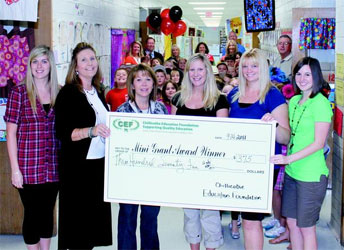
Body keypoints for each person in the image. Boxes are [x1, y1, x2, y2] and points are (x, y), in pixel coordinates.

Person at [227, 48, 290, 250]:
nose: (248, 70)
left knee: (252, 219)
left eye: (254, 66)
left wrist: (274, 125)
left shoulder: (272, 95)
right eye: (244, 66)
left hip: (262, 166)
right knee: (246, 219)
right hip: (238, 164)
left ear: (262, 68)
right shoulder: (234, 95)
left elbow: (286, 137)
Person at [54, 42, 112, 249]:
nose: (90, 63)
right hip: (77, 169)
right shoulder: (68, 93)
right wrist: (91, 130)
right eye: (84, 59)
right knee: (78, 229)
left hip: (97, 165)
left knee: (92, 227)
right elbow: (62, 132)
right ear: (75, 66)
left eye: (93, 58)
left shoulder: (98, 92)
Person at [270, 57, 332, 250]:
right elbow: (290, 132)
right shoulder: (295, 100)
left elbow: (318, 143)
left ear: (316, 76)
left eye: (307, 74)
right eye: (298, 74)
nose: (302, 78)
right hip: (292, 173)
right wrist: (272, 120)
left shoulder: (321, 104)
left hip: (311, 177)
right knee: (292, 223)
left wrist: (288, 159)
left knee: (307, 228)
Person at [5, 45, 59, 250]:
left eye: (44, 61)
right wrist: (15, 169)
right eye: (35, 61)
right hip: (28, 168)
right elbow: (11, 133)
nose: (39, 66)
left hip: (53, 167)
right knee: (32, 215)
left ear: (51, 65)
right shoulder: (19, 92)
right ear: (29, 65)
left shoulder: (59, 92)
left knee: (47, 214)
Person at [171, 53, 228, 250]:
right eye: (192, 70)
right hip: (185, 166)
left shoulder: (219, 100)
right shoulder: (178, 99)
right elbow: (172, 134)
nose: (196, 74)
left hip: (210, 167)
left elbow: (222, 137)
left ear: (208, 72)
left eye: (200, 69)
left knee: (210, 213)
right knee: (190, 212)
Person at [116, 63, 168, 249]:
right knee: (127, 219)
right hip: (128, 176)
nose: (144, 84)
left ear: (154, 84)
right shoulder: (122, 111)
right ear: (132, 85)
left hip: (153, 177)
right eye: (139, 80)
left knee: (150, 220)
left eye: (148, 79)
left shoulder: (161, 110)